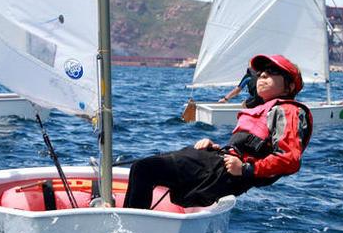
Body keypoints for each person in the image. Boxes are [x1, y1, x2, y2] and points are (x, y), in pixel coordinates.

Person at [124, 54, 313, 209]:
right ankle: (129, 222)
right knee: (141, 168)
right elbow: (248, 147)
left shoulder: (287, 110)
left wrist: (247, 169)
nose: (262, 75)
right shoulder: (269, 109)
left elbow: (290, 160)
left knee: (144, 169)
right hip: (220, 165)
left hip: (225, 174)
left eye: (272, 72)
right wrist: (215, 147)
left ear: (289, 86)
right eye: (262, 71)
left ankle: (131, 230)